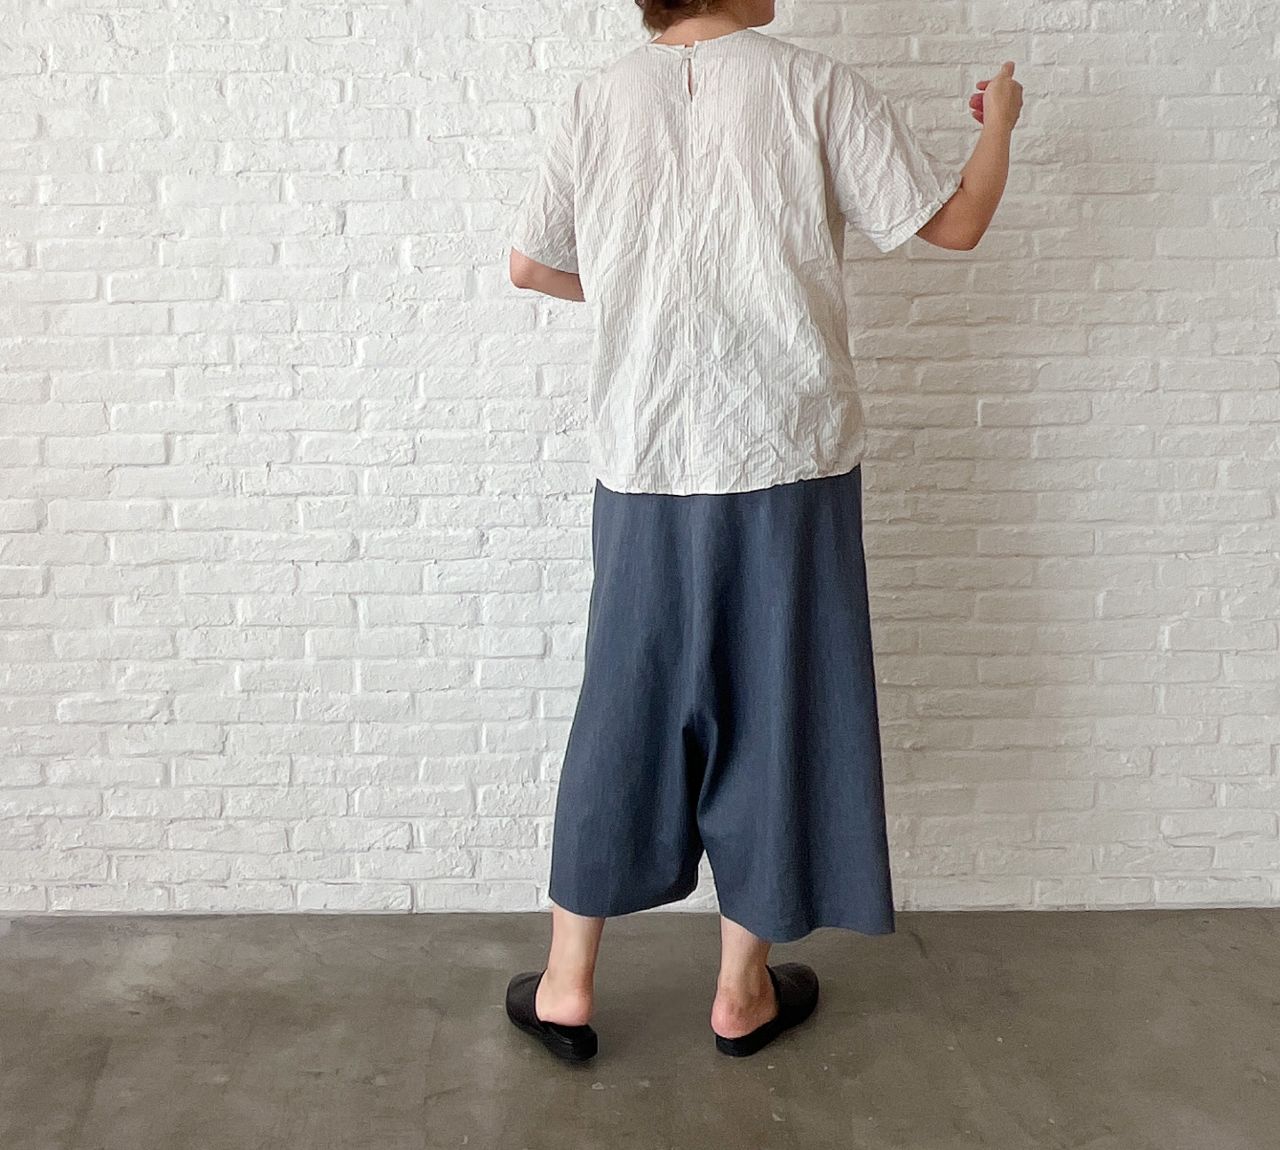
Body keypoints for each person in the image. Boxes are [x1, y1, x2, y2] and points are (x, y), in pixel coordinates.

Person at [503, 0, 1023, 1063]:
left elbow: (530, 264)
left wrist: (642, 293)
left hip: (643, 456)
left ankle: (566, 984)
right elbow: (955, 223)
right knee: (775, 706)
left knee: (624, 704)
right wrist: (1000, 123)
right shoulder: (812, 85)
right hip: (786, 449)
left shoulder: (595, 99)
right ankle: (740, 993)